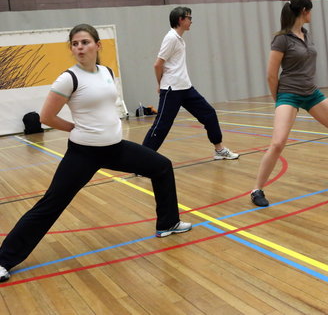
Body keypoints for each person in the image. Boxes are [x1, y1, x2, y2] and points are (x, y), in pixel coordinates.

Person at [0, 24, 191, 283]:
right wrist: (74, 127)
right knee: (51, 204)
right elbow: (47, 116)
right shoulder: (69, 78)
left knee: (162, 166)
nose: (80, 47)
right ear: (71, 48)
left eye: (85, 42)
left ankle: (167, 223)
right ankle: (4, 260)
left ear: (97, 46)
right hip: (83, 153)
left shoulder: (106, 72)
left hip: (115, 148)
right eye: (75, 43)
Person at [250, 0, 328, 207]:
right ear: (304, 10)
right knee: (278, 143)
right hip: (288, 93)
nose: (311, 15)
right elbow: (271, 74)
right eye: (311, 11)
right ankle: (256, 190)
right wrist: (279, 100)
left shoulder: (305, 34)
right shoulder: (282, 39)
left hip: (311, 92)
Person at [142, 6, 239, 160]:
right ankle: (142, 161)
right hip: (172, 90)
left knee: (209, 114)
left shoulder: (179, 39)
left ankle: (219, 150)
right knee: (161, 126)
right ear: (181, 20)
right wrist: (160, 84)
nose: (191, 21)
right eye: (189, 18)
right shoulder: (171, 38)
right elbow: (157, 64)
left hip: (185, 88)